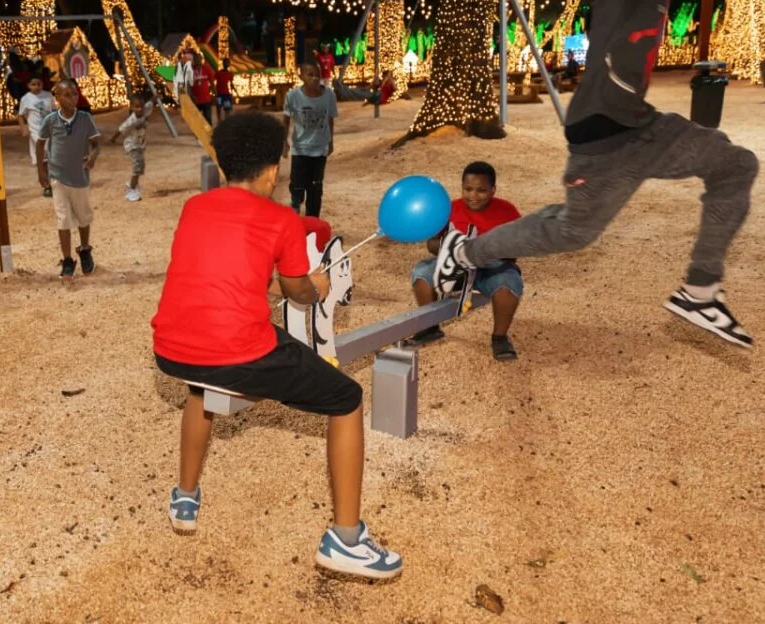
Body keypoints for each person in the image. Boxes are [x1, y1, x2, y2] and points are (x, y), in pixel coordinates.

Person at [436, 0, 762, 348]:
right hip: (601, 132)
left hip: (640, 124)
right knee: (572, 232)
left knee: (736, 164)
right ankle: (464, 253)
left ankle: (701, 289)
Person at [151, 111, 402, 580]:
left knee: (201, 385)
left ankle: (185, 495)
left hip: (171, 349)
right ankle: (346, 540)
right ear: (273, 171)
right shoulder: (282, 218)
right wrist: (318, 285)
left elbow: (222, 268)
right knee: (346, 399)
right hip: (237, 351)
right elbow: (296, 293)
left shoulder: (194, 207)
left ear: (223, 168)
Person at [409, 162, 523, 360]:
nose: (473, 196)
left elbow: (519, 245)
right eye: (468, 189)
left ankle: (500, 338)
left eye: (481, 191)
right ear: (461, 187)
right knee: (421, 273)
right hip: (455, 266)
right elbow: (431, 243)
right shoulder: (450, 208)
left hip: (492, 267)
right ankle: (429, 327)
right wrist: (452, 246)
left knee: (510, 283)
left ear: (493, 190)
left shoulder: (507, 211)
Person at [37, 79, 102, 280]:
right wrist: (41, 172)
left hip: (79, 177)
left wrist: (92, 155)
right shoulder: (50, 121)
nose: (73, 98)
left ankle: (84, 250)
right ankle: (66, 259)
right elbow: (40, 144)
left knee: (83, 217)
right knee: (63, 218)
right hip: (58, 177)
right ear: (56, 98)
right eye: (67, 95)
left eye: (75, 94)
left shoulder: (84, 119)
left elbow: (96, 143)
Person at [282, 63, 337, 217]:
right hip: (300, 148)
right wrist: (284, 141)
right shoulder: (292, 96)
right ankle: (295, 204)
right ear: (301, 77)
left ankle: (313, 219)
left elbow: (330, 119)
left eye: (317, 75)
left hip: (319, 149)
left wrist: (331, 141)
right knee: (297, 184)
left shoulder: (329, 95)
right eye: (310, 75)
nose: (314, 79)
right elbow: (286, 119)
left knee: (315, 187)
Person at [16, 75, 55, 197]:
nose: (36, 87)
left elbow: (54, 112)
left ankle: (55, 182)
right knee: (41, 160)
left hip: (50, 131)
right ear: (28, 86)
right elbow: (20, 115)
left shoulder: (48, 96)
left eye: (39, 84)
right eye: (33, 84)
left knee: (52, 158)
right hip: (36, 133)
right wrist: (24, 128)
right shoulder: (26, 99)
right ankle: (45, 185)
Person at [111, 93, 150, 202]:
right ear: (132, 107)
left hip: (139, 145)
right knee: (137, 168)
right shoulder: (131, 121)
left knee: (141, 166)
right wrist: (113, 139)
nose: (140, 109)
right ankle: (131, 190)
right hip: (132, 146)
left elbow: (150, 103)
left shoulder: (145, 111)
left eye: (141, 106)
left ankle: (134, 185)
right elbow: (120, 129)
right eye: (137, 107)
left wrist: (155, 97)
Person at [189, 52, 216, 125]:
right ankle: (198, 135)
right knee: (196, 119)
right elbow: (187, 86)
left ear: (201, 59)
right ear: (193, 60)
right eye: (196, 59)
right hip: (195, 100)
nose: (198, 60)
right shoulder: (190, 71)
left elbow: (212, 83)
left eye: (199, 58)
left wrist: (214, 94)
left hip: (206, 100)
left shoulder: (207, 69)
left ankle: (209, 134)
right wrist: (192, 96)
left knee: (208, 118)